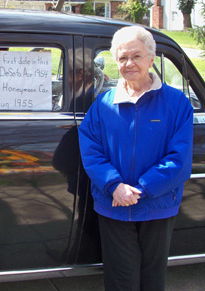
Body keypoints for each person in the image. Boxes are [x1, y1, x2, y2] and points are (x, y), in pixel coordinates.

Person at [78, 26, 193, 291]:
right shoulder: (103, 104)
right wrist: (114, 186)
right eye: (122, 58)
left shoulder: (177, 104)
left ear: (151, 59)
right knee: (120, 280)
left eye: (136, 56)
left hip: (157, 205)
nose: (129, 63)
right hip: (114, 205)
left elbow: (180, 158)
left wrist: (141, 189)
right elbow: (91, 150)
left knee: (153, 279)